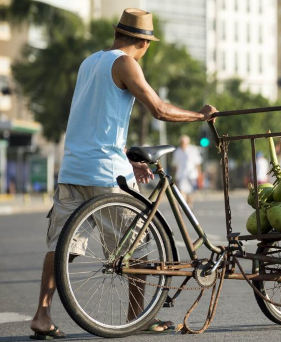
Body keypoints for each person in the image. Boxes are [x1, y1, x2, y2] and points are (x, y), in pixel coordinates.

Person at [29, 9, 217, 339]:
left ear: (117, 33)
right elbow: (159, 109)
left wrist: (127, 160)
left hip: (74, 168)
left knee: (61, 247)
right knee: (139, 247)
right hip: (105, 175)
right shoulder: (127, 64)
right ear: (143, 43)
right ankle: (138, 317)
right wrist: (199, 116)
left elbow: (96, 121)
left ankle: (42, 315)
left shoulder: (90, 62)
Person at [172, 135, 202, 207]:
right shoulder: (177, 151)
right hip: (181, 175)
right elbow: (175, 165)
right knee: (182, 191)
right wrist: (174, 176)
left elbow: (197, 163)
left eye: (184, 142)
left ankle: (189, 205)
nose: (183, 144)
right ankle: (183, 206)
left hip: (191, 175)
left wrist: (199, 174)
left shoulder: (193, 150)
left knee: (190, 192)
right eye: (182, 142)